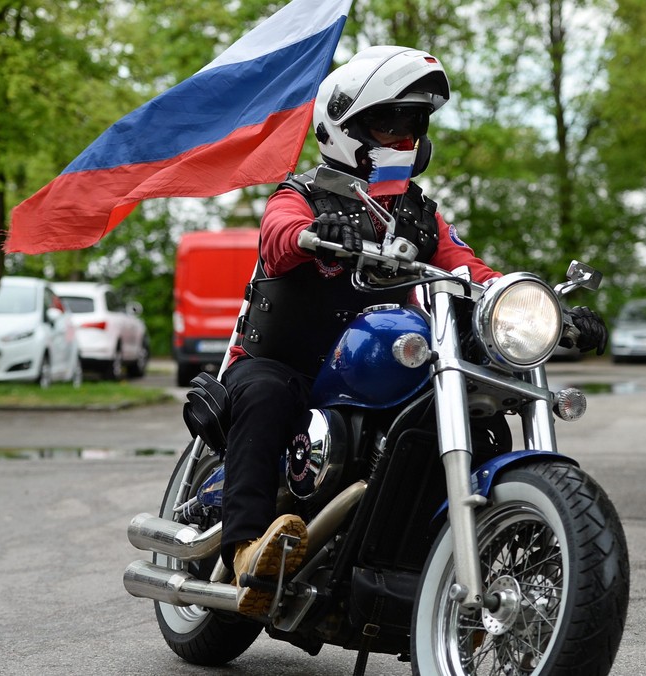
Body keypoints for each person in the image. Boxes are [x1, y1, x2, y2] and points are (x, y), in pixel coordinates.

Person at [200, 46, 609, 616]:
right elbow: (277, 234)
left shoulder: (420, 213)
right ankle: (246, 548)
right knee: (267, 394)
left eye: (414, 121)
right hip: (287, 363)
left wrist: (543, 310)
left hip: (380, 364)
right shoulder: (302, 194)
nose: (404, 134)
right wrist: (314, 232)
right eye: (389, 120)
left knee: (476, 413)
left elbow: (472, 270)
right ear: (344, 126)